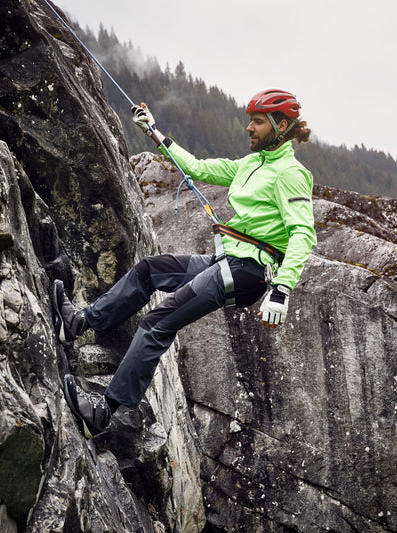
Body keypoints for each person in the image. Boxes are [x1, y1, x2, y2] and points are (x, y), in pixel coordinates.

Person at [53, 88, 317, 438]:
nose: (249, 128)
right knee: (150, 270)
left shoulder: (291, 173)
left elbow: (303, 234)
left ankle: (104, 412)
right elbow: (196, 167)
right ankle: (80, 322)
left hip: (246, 272)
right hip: (226, 261)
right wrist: (154, 131)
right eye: (250, 121)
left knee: (157, 323)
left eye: (257, 122)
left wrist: (281, 289)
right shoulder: (251, 164)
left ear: (281, 126)